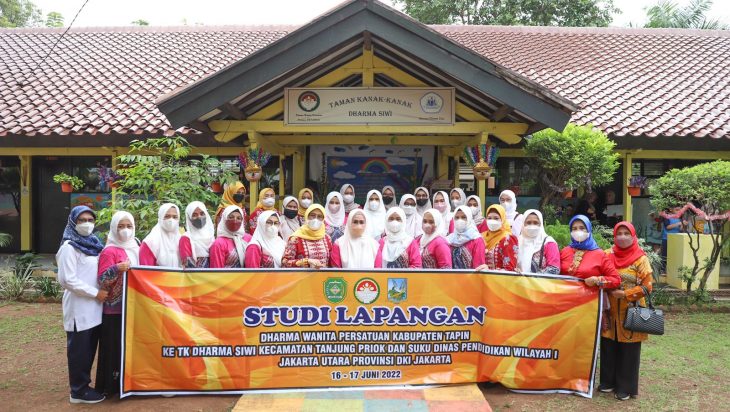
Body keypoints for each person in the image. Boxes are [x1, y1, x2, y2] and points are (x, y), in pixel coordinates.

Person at [56, 206, 106, 404]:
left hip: (94, 307)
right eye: (82, 220)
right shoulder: (69, 247)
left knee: (89, 349)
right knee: (79, 350)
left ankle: (85, 386)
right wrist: (95, 293)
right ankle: (78, 391)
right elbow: (67, 280)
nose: (87, 224)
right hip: (79, 308)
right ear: (73, 222)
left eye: (90, 220)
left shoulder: (94, 244)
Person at [600, 221, 653, 401]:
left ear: (633, 236)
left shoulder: (641, 258)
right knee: (608, 344)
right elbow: (601, 273)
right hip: (609, 308)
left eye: (626, 233)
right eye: (619, 234)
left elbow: (647, 287)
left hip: (632, 309)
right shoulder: (607, 254)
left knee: (629, 349)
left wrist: (625, 294)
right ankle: (607, 382)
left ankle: (625, 387)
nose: (622, 237)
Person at [96, 211, 138, 398]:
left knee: (129, 348)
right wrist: (116, 268)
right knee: (113, 348)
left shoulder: (136, 247)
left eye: (129, 226)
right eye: (120, 226)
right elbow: (102, 281)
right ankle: (111, 387)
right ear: (113, 228)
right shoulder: (109, 251)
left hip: (134, 308)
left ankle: (129, 385)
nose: (125, 230)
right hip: (114, 311)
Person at [559, 215, 620, 289]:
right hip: (563, 294)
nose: (578, 231)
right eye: (574, 229)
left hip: (588, 296)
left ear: (588, 230)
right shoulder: (565, 251)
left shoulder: (599, 254)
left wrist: (597, 280)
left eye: (582, 228)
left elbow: (616, 280)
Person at [282, 204, 332, 268]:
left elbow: (331, 263)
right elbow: (285, 262)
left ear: (323, 219)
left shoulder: (327, 238)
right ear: (306, 216)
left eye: (319, 216)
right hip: (302, 274)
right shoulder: (295, 239)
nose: (315, 219)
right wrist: (306, 261)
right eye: (312, 215)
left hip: (324, 274)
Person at [477, 205, 519, 271]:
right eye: (489, 218)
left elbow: (510, 269)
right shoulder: (481, 237)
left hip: (499, 277)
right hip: (480, 276)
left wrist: (489, 271)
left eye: (496, 218)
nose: (492, 221)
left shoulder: (508, 239)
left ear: (502, 219)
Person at [517, 209, 560, 274]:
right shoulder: (517, 242)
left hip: (541, 281)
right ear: (523, 224)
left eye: (535, 223)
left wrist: (532, 277)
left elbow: (554, 269)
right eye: (528, 223)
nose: (532, 226)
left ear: (541, 224)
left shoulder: (549, 243)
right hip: (517, 280)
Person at [139, 203, 181, 267]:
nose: (171, 220)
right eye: (167, 216)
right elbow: (146, 270)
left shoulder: (180, 240)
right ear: (160, 217)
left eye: (175, 217)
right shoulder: (150, 242)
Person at [179, 201, 214, 268]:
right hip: (195, 274)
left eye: (202, 213)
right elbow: (188, 266)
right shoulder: (186, 238)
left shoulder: (211, 236)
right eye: (194, 215)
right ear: (189, 218)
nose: (199, 217)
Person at [661, 206, 685, 271]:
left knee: (674, 255)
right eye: (677, 210)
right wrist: (679, 223)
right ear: (671, 209)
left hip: (676, 239)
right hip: (666, 239)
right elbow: (668, 227)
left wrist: (683, 225)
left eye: (680, 210)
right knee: (665, 255)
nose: (679, 211)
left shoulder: (680, 218)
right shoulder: (667, 217)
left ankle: (672, 270)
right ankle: (663, 270)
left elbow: (680, 230)